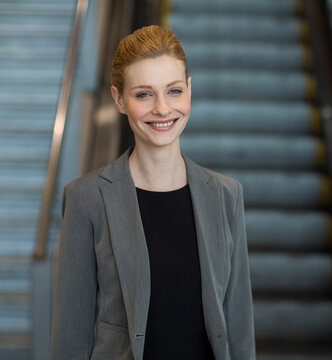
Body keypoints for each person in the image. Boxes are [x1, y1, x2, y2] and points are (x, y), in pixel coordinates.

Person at [50, 25, 256, 360]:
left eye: (174, 91)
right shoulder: (86, 199)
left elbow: (239, 331)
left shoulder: (226, 196)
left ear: (190, 90)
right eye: (144, 94)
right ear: (119, 99)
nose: (162, 108)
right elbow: (70, 340)